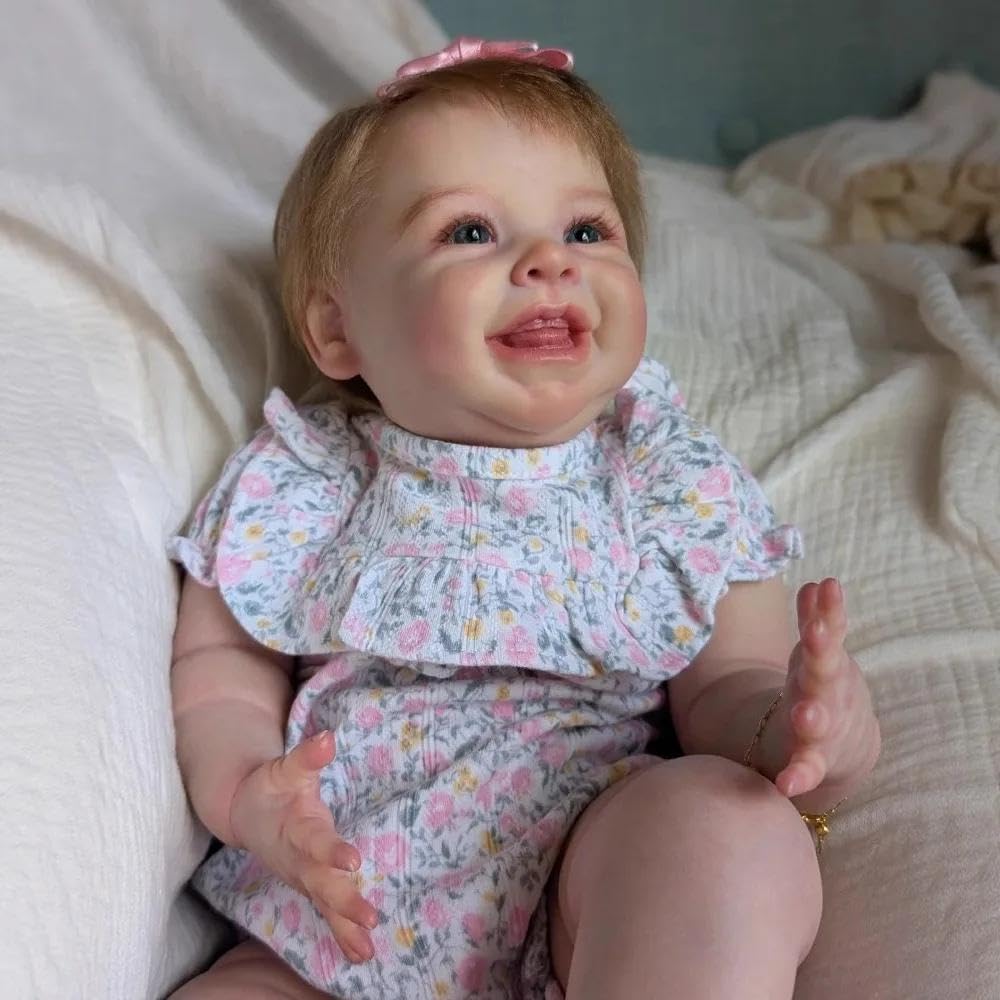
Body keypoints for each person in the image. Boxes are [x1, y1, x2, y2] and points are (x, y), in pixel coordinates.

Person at [167, 38, 881, 1000]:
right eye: (470, 232)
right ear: (338, 328)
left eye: (587, 230)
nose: (550, 261)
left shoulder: (666, 478)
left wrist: (793, 725)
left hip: (587, 900)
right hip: (331, 926)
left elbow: (729, 684)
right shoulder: (310, 480)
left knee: (730, 825)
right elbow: (219, 668)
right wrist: (246, 793)